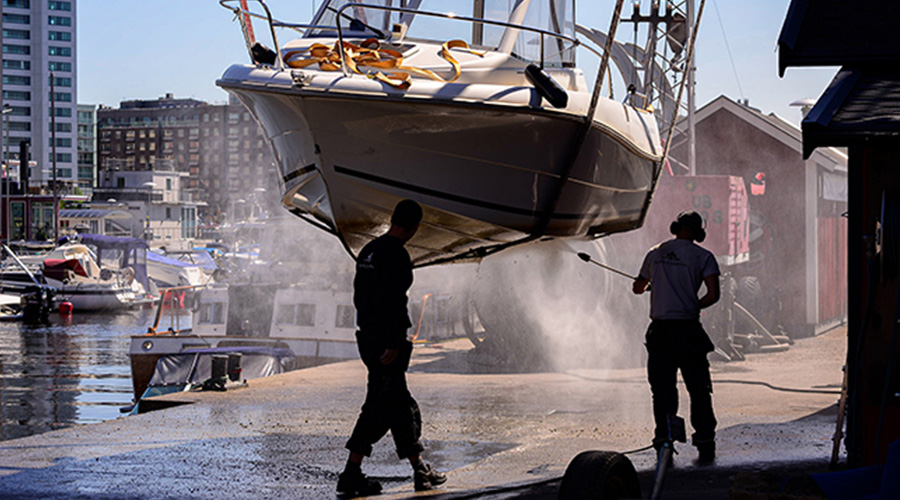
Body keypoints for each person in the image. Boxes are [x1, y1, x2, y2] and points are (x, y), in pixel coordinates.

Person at [337, 199, 447, 496]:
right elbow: (392, 301)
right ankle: (350, 474)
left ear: (393, 219)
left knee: (398, 404)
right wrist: (393, 342)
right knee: (381, 407)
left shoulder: (369, 251)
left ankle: (419, 468)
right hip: (386, 343)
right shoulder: (397, 255)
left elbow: (362, 298)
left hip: (368, 338)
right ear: (414, 228)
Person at [632, 210, 721, 464]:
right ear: (699, 232)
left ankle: (665, 442)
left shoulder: (655, 252)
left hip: (661, 333)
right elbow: (713, 295)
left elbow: (638, 287)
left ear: (675, 227)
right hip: (689, 332)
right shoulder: (704, 256)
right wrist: (693, 305)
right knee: (699, 390)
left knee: (662, 391)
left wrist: (651, 285)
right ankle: (705, 442)